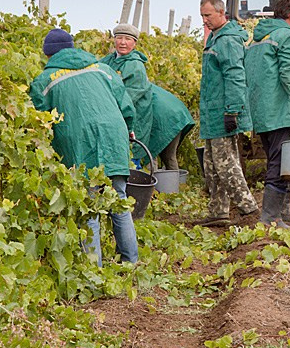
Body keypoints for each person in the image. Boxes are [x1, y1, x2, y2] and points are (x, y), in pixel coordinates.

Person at [29, 28, 139, 266]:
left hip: (79, 142)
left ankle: (93, 270)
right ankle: (131, 263)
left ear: (48, 55)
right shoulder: (102, 68)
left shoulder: (44, 81)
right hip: (114, 137)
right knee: (119, 200)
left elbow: (40, 123)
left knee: (88, 207)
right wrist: (128, 129)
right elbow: (126, 106)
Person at [245, 0, 290, 228]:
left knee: (280, 159)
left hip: (262, 111)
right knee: (281, 161)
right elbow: (289, 70)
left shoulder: (257, 39)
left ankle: (282, 212)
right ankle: (270, 218)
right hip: (280, 111)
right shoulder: (287, 36)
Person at [197, 0, 259, 226]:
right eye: (202, 15)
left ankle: (249, 210)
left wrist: (232, 111)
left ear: (221, 13)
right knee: (212, 165)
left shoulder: (228, 41)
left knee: (226, 164)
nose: (204, 20)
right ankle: (218, 211)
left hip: (224, 112)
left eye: (208, 15)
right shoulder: (215, 37)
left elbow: (235, 76)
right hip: (213, 113)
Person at [100, 23, 195, 170]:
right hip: (155, 112)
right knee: (151, 153)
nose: (123, 42)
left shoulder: (135, 65)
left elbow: (127, 98)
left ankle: (163, 184)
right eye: (119, 38)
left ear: (135, 43)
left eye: (127, 39)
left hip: (168, 116)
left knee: (157, 155)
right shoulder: (109, 61)